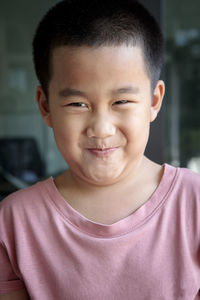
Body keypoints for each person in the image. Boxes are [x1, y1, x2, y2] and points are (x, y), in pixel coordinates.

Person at [0, 0, 200, 299]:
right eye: (77, 104)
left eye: (121, 101)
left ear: (154, 101)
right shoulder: (14, 222)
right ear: (46, 106)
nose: (102, 128)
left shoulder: (194, 203)